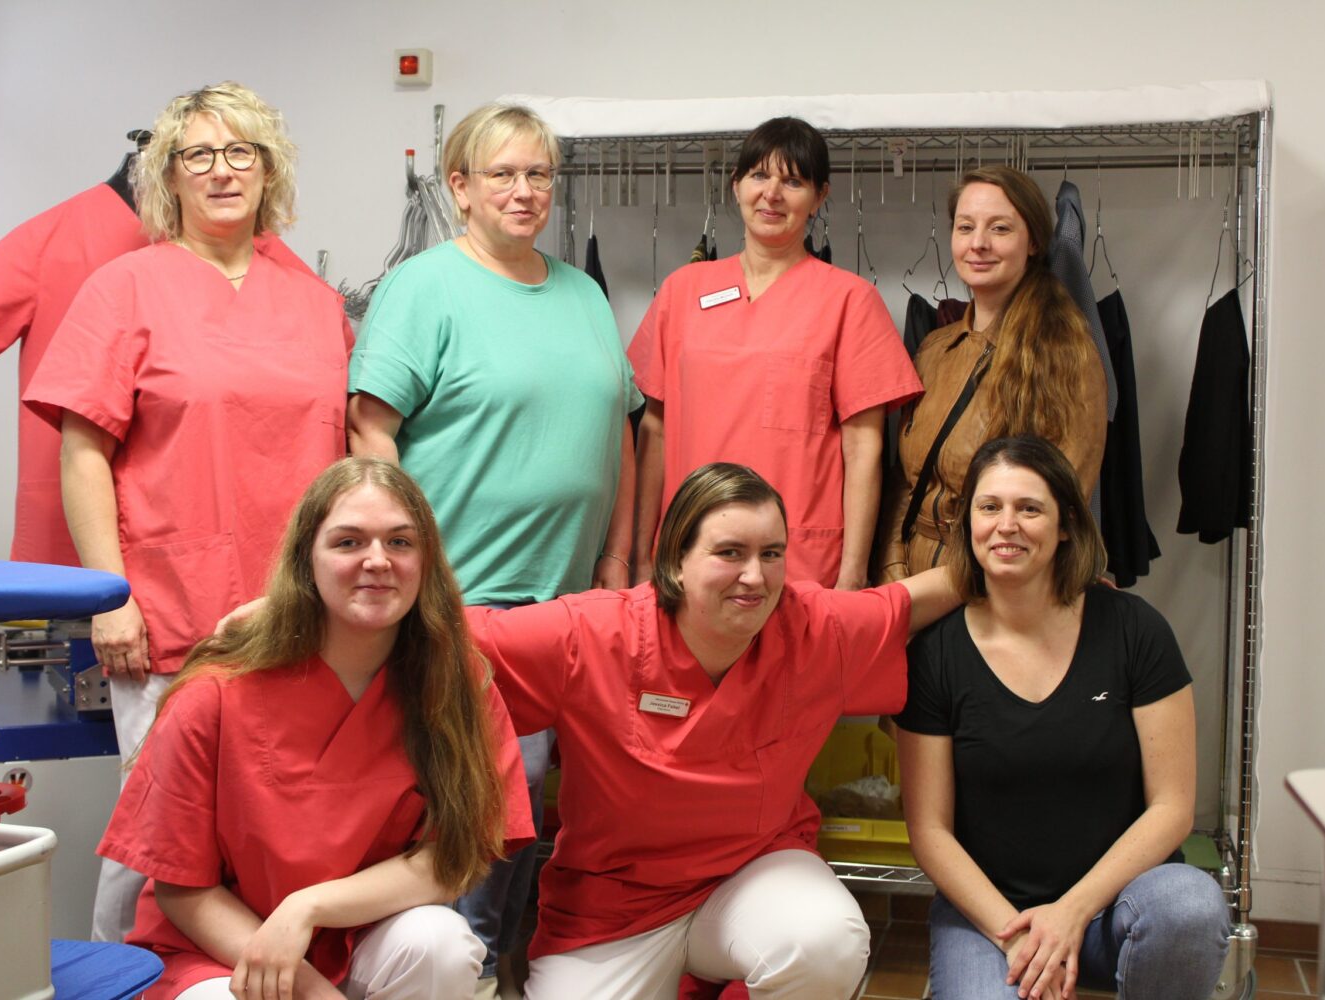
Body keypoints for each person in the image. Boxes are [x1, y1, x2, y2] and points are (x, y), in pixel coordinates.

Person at [23, 81, 355, 942]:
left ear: (269, 169)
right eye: (197, 154)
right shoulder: (124, 288)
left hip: (297, 615)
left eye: (241, 151)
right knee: (154, 837)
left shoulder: (314, 302)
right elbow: (83, 452)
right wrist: (111, 597)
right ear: (167, 176)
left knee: (280, 830)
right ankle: (121, 982)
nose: (221, 171)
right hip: (172, 613)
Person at [466, 462, 960, 999]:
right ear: (676, 560)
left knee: (826, 942)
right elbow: (459, 638)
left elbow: (911, 602)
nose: (755, 576)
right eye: (730, 553)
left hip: (753, 879)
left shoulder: (811, 625)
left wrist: (1002, 542)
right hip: (613, 907)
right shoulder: (592, 632)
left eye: (771, 554)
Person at [345, 102, 641, 997]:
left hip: (571, 601)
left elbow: (618, 435)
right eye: (503, 174)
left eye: (539, 174)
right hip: (465, 597)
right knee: (491, 807)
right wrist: (411, 567)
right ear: (461, 188)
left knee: (539, 815)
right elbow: (370, 429)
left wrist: (616, 561)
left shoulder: (583, 295)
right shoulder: (424, 286)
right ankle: (463, 972)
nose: (524, 190)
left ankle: (502, 974)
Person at [98, 458, 533, 1000]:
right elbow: (181, 889)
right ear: (307, 559)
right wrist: (311, 990)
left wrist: (308, 906)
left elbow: (452, 861)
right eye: (348, 542)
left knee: (440, 943)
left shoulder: (456, 685)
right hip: (221, 953)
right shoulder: (216, 692)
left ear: (427, 561)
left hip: (359, 936)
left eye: (400, 542)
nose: (378, 560)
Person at [894, 436, 1229, 1000]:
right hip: (990, 917)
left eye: (1029, 508)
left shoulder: (1135, 630)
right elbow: (929, 831)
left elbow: (1172, 808)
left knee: (1190, 907)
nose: (1007, 525)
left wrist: (1070, 913)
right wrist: (1020, 938)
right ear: (967, 521)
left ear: (1066, 524)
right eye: (990, 506)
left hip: (1115, 906)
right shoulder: (934, 654)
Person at [630, 116, 921, 591]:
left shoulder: (850, 301)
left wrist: (852, 574)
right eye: (759, 175)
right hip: (689, 555)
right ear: (736, 185)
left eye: (793, 181)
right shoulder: (682, 291)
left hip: (799, 561)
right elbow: (654, 430)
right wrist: (641, 556)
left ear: (819, 196)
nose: (772, 194)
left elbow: (863, 448)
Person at [880, 166, 1107, 583]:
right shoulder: (934, 349)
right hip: (910, 583)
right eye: (966, 227)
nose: (978, 243)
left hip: (999, 588)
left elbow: (1057, 506)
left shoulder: (1065, 355)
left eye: (1000, 228)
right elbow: (903, 482)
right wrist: (893, 573)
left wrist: (962, 591)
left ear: (1033, 242)